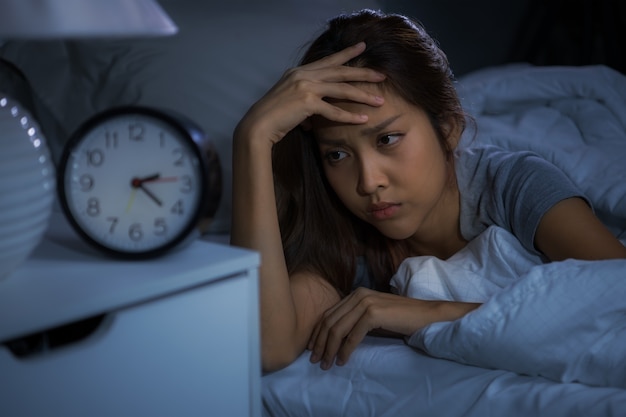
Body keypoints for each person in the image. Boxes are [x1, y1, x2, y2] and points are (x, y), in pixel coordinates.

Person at [230, 8, 626, 373]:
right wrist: (253, 138)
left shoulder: (513, 184)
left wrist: (426, 311)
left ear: (449, 128)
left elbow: (614, 290)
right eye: (337, 154)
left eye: (387, 139)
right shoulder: (341, 232)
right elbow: (269, 348)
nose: (369, 182)